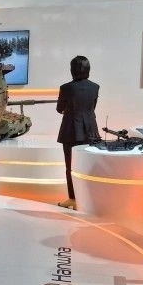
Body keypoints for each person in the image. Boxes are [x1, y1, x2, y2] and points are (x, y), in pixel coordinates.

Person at [56, 56, 100, 210]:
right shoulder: (95, 87)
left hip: (71, 131)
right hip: (91, 130)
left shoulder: (66, 88)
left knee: (71, 166)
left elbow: (59, 108)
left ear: (72, 70)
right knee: (87, 166)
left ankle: (73, 199)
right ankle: (87, 199)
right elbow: (92, 107)